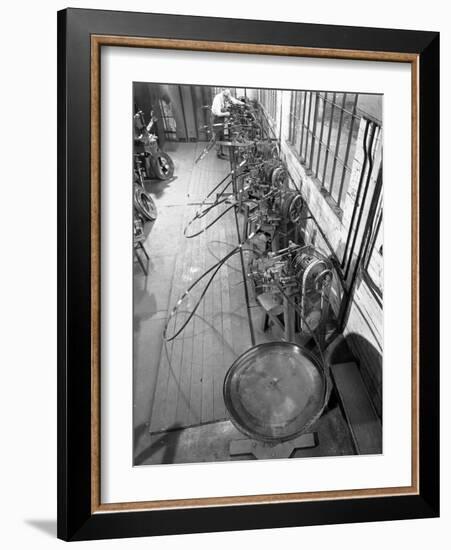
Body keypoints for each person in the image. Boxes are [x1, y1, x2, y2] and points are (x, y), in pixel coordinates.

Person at [211, 89, 245, 159]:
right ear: (224, 95)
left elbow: (234, 101)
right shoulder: (217, 99)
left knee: (221, 135)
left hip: (221, 118)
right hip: (216, 118)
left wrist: (243, 104)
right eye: (227, 98)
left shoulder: (226, 96)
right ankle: (219, 154)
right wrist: (226, 113)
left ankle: (221, 151)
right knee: (217, 136)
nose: (227, 99)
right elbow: (218, 113)